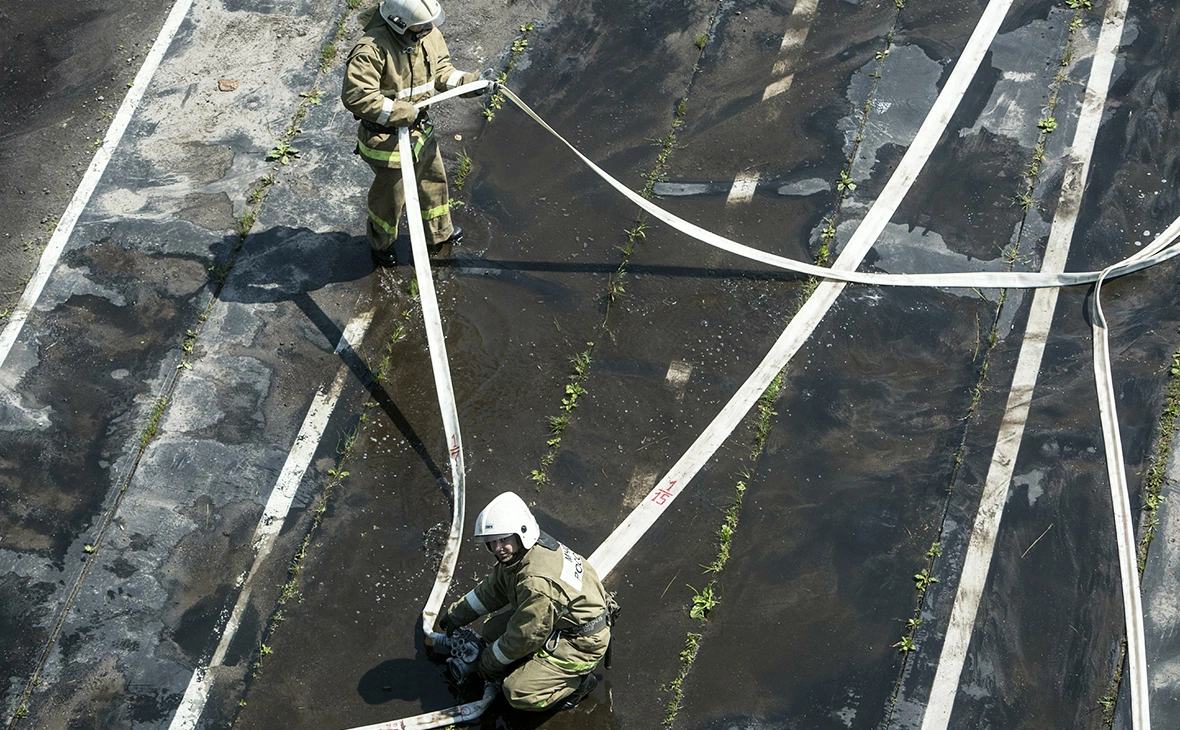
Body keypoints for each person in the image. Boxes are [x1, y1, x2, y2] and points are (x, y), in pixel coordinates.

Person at [341, 0, 492, 267]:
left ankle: (439, 235)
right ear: (399, 24)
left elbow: (443, 72)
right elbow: (358, 97)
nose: (428, 28)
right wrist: (403, 113)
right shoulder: (371, 50)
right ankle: (381, 245)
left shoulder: (427, 33)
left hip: (419, 134)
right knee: (390, 199)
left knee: (434, 183)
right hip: (386, 141)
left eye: (429, 23)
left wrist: (472, 83)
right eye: (421, 25)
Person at [435, 492, 612, 711]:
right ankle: (535, 667)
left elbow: (526, 635)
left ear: (522, 533)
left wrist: (489, 662)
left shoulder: (536, 581)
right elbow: (493, 590)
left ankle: (577, 685)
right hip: (560, 619)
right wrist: (456, 615)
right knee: (492, 631)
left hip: (581, 642)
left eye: (503, 539)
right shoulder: (526, 552)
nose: (498, 548)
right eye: (492, 542)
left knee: (517, 691)